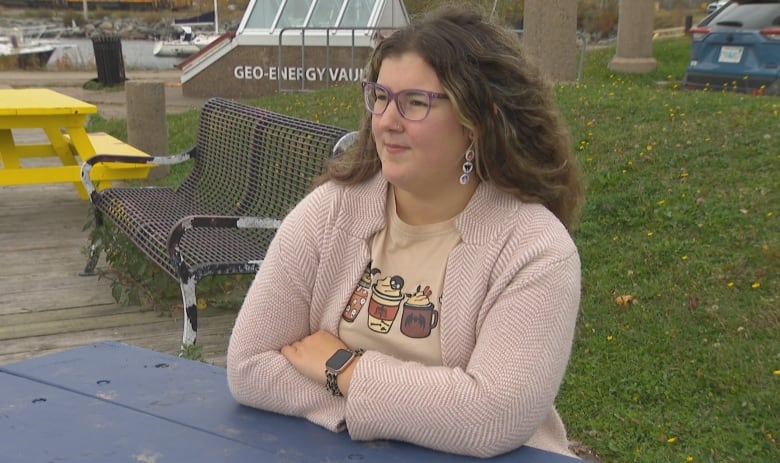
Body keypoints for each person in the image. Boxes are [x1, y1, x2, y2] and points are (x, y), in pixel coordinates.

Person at [227, 4, 585, 459]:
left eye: (415, 102)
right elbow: (249, 365)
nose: (386, 120)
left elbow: (494, 416)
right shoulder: (331, 211)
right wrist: (415, 413)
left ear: (475, 120)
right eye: (380, 96)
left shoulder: (534, 250)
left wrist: (343, 368)